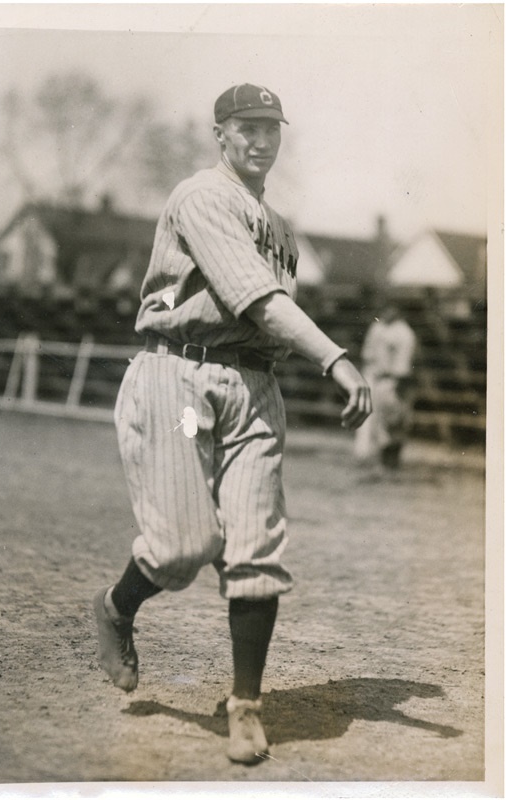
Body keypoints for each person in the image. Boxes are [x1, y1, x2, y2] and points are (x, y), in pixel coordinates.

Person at [93, 83, 372, 765]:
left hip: (252, 387)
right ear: (219, 134)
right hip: (180, 379)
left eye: (271, 127)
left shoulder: (278, 226)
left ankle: (244, 705)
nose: (260, 139)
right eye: (245, 127)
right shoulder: (201, 196)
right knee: (184, 546)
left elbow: (267, 322)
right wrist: (334, 358)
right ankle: (116, 607)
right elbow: (260, 302)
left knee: (255, 550)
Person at [354, 302, 417, 475]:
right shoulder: (378, 327)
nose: (386, 312)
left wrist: (399, 385)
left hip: (394, 380)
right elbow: (368, 354)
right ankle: (381, 462)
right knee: (378, 422)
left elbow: (404, 364)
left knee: (394, 422)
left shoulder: (404, 333)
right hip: (376, 377)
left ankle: (391, 463)